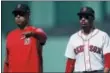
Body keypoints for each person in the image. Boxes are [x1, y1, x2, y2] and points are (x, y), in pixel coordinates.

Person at [65, 6, 110, 73]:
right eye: (81, 17)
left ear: (92, 18)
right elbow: (70, 63)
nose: (83, 19)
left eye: (86, 17)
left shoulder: (103, 36)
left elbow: (108, 59)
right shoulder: (73, 38)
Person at [3, 4, 47, 73]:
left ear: (28, 15)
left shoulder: (35, 31)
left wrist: (32, 34)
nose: (18, 16)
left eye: (21, 13)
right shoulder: (10, 35)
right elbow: (7, 62)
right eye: (16, 14)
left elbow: (43, 36)